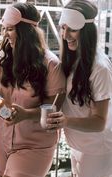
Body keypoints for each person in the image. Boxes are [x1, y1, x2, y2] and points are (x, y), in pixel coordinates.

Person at [0, 2, 66, 177]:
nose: (6, 35)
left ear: (26, 32)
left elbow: (52, 111)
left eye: (10, 29)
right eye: (5, 29)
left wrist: (26, 114)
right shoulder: (2, 59)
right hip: (3, 141)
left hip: (35, 145)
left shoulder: (51, 65)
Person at [47, 0, 112, 177]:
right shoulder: (74, 59)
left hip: (96, 150)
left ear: (87, 31)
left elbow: (99, 122)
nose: (65, 34)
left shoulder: (100, 68)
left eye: (72, 29)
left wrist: (65, 121)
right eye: (63, 27)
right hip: (78, 145)